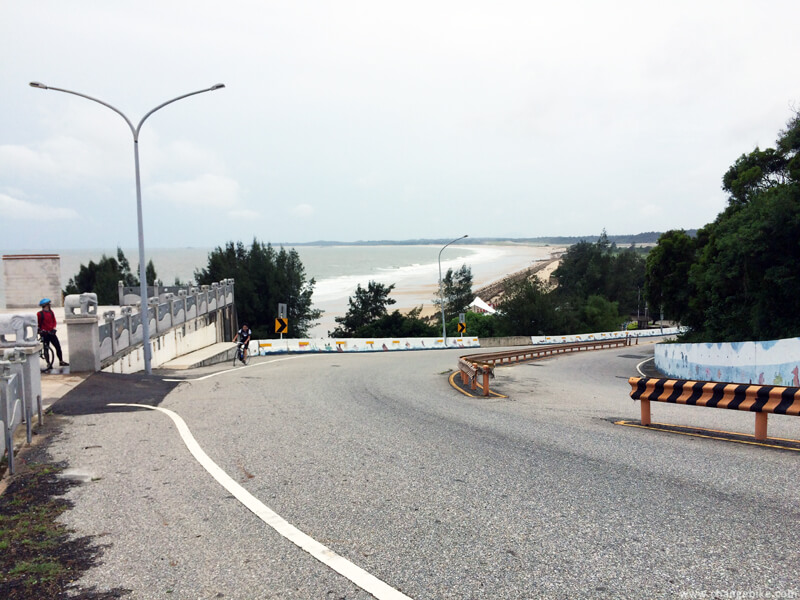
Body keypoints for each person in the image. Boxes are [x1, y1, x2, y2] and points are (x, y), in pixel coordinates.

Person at [37, 298, 69, 368]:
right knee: (46, 349)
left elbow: (54, 321)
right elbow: (38, 324)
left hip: (52, 333)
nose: (49, 305)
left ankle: (61, 361)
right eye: (49, 304)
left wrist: (54, 328)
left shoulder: (51, 312)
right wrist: (40, 330)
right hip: (45, 334)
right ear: (46, 305)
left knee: (58, 347)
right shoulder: (39, 314)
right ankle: (48, 363)